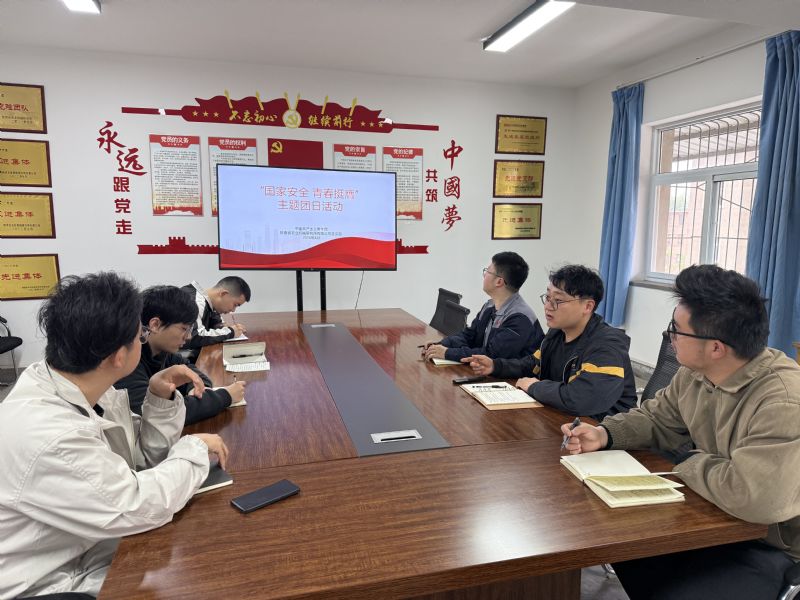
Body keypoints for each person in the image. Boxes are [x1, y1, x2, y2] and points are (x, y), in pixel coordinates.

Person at [562, 264, 800, 600]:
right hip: (714, 515)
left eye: (676, 330)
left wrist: (687, 461)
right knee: (623, 547)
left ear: (716, 347)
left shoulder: (784, 401)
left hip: (771, 544)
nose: (669, 337)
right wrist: (604, 434)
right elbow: (657, 418)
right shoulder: (695, 373)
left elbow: (754, 497)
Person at [0, 272, 229, 600]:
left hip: (86, 543)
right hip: (48, 581)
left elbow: (140, 461)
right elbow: (136, 506)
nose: (144, 339)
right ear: (119, 356)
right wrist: (193, 448)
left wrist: (159, 398)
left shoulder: (83, 387)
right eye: (140, 335)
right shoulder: (50, 435)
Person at [464, 264, 636, 419]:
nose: (547, 306)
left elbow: (582, 398)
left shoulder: (607, 345)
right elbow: (532, 364)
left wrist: (535, 387)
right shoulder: (557, 332)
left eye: (558, 300)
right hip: (563, 419)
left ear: (588, 306)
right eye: (547, 297)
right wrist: (495, 366)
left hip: (604, 430)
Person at [115, 285, 245, 426]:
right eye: (184, 329)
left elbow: (192, 372)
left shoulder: (162, 352)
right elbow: (157, 417)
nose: (189, 337)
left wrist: (195, 388)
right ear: (155, 325)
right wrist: (226, 396)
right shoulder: (128, 361)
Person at [422, 251, 544, 362]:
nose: (484, 275)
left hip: (513, 378)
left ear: (499, 282)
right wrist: (442, 344)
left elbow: (491, 355)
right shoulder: (490, 305)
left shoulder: (520, 318)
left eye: (488, 271)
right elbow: (469, 335)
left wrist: (447, 353)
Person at [181, 276, 251, 359]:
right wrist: (231, 331)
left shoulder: (208, 302)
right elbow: (195, 337)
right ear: (224, 294)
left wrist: (222, 326)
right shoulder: (195, 301)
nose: (233, 310)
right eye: (235, 305)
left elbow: (215, 322)